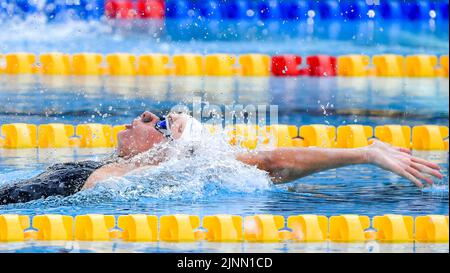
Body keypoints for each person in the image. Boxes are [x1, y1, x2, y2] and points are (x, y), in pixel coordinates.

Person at [0, 111, 443, 205]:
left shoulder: (125, 178)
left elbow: (272, 162)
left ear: (166, 152)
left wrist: (363, 153)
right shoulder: (106, 171)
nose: (147, 115)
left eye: (160, 126)